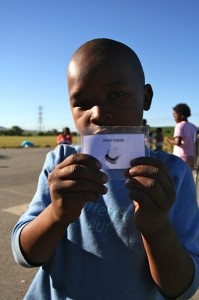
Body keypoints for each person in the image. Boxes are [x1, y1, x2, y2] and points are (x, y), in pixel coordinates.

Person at [12, 38, 199, 299]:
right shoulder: (61, 164)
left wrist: (156, 228)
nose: (98, 114)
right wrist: (56, 214)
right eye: (82, 102)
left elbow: (180, 288)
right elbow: (25, 255)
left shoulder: (172, 176)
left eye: (116, 94)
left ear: (146, 97)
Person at [166, 103, 197, 169]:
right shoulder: (193, 126)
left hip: (180, 156)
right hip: (191, 155)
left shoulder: (179, 125)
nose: (174, 118)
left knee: (179, 177)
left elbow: (178, 142)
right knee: (187, 176)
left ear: (182, 116)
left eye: (175, 115)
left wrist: (168, 140)